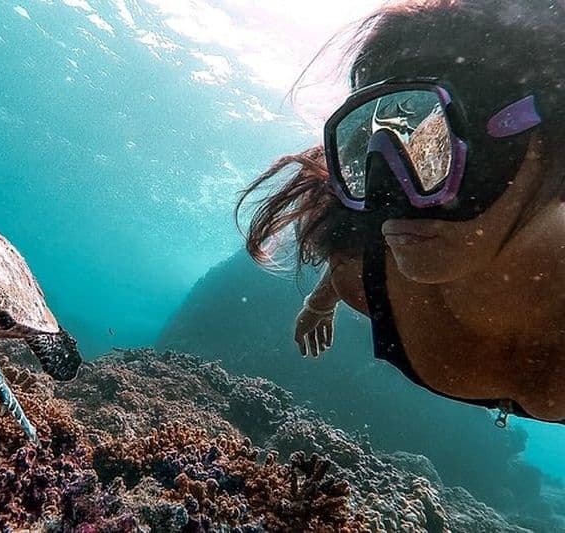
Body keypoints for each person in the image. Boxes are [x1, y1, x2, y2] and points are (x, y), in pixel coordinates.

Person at [236, 0, 565, 426]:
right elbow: (349, 254)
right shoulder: (363, 274)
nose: (383, 197)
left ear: (548, 148)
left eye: (434, 150)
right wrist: (319, 304)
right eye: (363, 151)